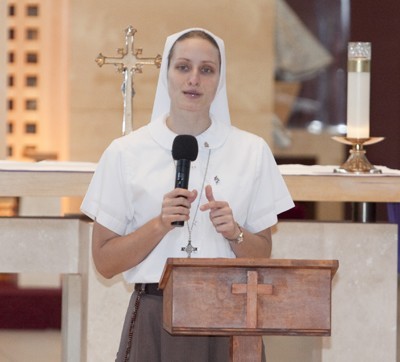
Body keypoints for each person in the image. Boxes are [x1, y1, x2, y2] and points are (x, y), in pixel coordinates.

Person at [81, 27, 294, 362]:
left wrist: (235, 233)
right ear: (167, 74)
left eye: (206, 69)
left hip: (232, 316)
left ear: (219, 79)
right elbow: (104, 262)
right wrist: (159, 224)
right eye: (183, 67)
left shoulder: (251, 151)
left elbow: (263, 253)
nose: (194, 79)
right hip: (157, 317)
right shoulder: (125, 153)